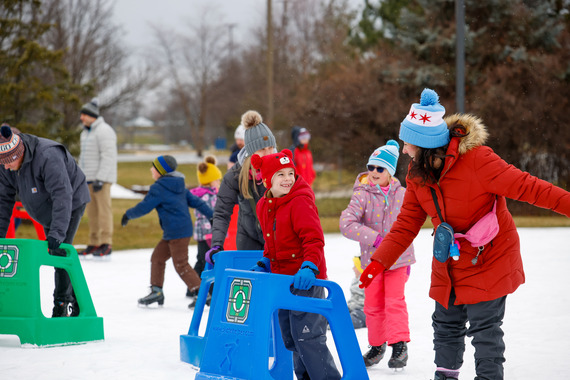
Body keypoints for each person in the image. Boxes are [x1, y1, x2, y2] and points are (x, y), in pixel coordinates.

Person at [359, 88, 570, 380]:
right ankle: (445, 376)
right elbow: (406, 224)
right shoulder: (417, 174)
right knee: (445, 324)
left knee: (485, 329)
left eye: (408, 143)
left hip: (489, 256)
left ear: (423, 143)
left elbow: (530, 187)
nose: (404, 150)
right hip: (448, 259)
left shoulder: (479, 160)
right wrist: (378, 263)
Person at [250, 148, 341, 380]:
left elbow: (314, 239)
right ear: (267, 179)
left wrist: (310, 266)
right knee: (292, 338)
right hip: (282, 283)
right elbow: (272, 245)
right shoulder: (264, 206)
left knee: (308, 338)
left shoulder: (299, 201)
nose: (288, 179)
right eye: (281, 174)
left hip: (306, 281)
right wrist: (265, 262)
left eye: (291, 172)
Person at [0, 124, 90, 317]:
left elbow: (62, 195)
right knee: (59, 253)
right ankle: (79, 302)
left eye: (7, 163)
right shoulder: (6, 165)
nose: (5, 167)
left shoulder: (48, 156)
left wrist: (57, 232)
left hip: (71, 202)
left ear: (18, 155)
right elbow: (3, 200)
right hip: (45, 206)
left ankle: (62, 304)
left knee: (60, 252)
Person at [340, 140, 415, 368]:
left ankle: (399, 345)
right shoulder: (362, 194)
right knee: (372, 304)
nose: (373, 172)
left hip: (398, 260)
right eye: (371, 167)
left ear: (389, 172)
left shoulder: (402, 194)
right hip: (372, 261)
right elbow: (346, 223)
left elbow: (410, 224)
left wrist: (407, 256)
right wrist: (375, 238)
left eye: (379, 168)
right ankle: (376, 345)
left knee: (394, 301)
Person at [121, 155, 213, 307]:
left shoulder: (159, 188)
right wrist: (211, 215)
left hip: (178, 233)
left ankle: (202, 294)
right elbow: (196, 202)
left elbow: (144, 207)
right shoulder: (179, 185)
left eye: (154, 167)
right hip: (174, 232)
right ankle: (157, 291)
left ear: (161, 171)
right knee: (157, 258)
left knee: (181, 264)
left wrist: (128, 215)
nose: (151, 169)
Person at [205, 110, 276, 265]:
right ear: (250, 151)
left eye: (271, 147)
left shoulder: (283, 171)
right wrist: (217, 244)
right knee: (250, 283)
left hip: (279, 238)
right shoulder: (235, 175)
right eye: (262, 149)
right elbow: (221, 212)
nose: (268, 153)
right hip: (248, 238)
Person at [78, 98, 117, 258]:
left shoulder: (104, 131)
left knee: (103, 212)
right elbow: (83, 157)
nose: (81, 118)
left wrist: (100, 178)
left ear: (92, 115)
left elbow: (108, 156)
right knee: (92, 213)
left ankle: (106, 243)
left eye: (84, 115)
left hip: (102, 179)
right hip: (88, 179)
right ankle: (94, 242)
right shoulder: (85, 133)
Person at [187, 155, 222, 307]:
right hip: (209, 232)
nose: (219, 183)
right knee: (209, 260)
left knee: (201, 258)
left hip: (202, 232)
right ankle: (210, 290)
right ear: (210, 181)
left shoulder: (198, 193)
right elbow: (217, 213)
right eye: (217, 180)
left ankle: (191, 287)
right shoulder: (211, 196)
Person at [346, 256, 367, 330]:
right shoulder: (356, 281)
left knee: (353, 318)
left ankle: (343, 326)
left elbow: (363, 302)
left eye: (355, 266)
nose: (353, 269)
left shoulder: (367, 282)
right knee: (338, 312)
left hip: (363, 311)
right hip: (354, 308)